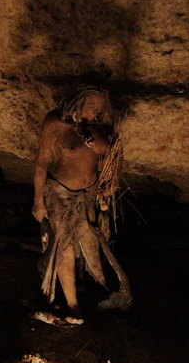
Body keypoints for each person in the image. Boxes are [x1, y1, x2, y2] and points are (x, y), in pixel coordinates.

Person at [32, 84, 131, 325]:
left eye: (100, 108)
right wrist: (38, 201)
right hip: (60, 192)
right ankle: (73, 305)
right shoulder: (55, 123)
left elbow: (114, 155)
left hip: (90, 193)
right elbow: (42, 164)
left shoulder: (98, 127)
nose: (96, 112)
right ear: (77, 102)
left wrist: (112, 183)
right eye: (91, 106)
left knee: (91, 240)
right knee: (64, 245)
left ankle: (102, 287)